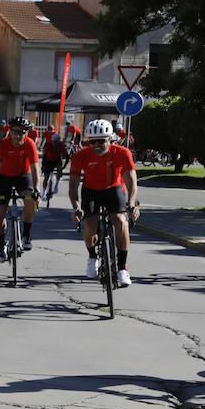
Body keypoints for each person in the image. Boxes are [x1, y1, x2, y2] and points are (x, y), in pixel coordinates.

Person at [69, 119, 139, 287]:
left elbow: (131, 182)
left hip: (114, 188)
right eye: (92, 142)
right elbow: (73, 186)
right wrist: (76, 208)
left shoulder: (122, 153)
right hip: (91, 191)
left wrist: (132, 203)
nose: (96, 145)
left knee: (121, 222)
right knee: (90, 226)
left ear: (110, 139)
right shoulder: (81, 156)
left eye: (101, 141)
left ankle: (122, 268)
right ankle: (92, 256)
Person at [0, 117, 40, 259]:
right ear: (9, 131)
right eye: (15, 132)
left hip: (22, 177)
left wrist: (37, 189)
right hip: (4, 178)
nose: (19, 136)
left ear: (27, 133)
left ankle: (26, 235)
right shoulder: (3, 145)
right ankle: (1, 244)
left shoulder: (29, 144)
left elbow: (35, 169)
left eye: (23, 132)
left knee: (30, 200)